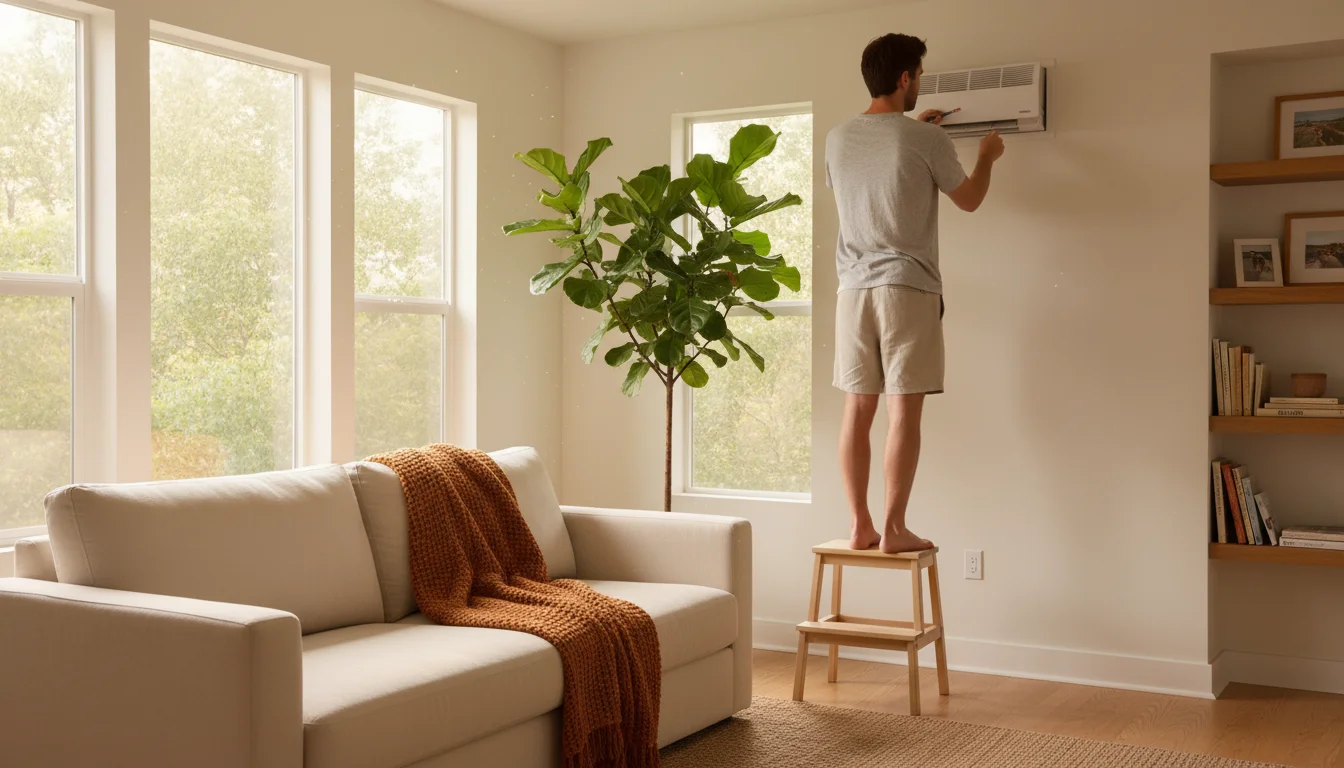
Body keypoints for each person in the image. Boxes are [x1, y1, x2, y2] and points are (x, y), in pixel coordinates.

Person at [825, 33, 1005, 553]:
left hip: (853, 291)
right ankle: (896, 528)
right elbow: (968, 199)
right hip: (907, 288)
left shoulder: (838, 138)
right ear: (905, 78)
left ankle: (860, 526)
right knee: (904, 412)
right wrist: (987, 156)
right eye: (919, 76)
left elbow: (877, 178)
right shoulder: (927, 141)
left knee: (858, 411)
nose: (920, 85)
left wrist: (912, 135)